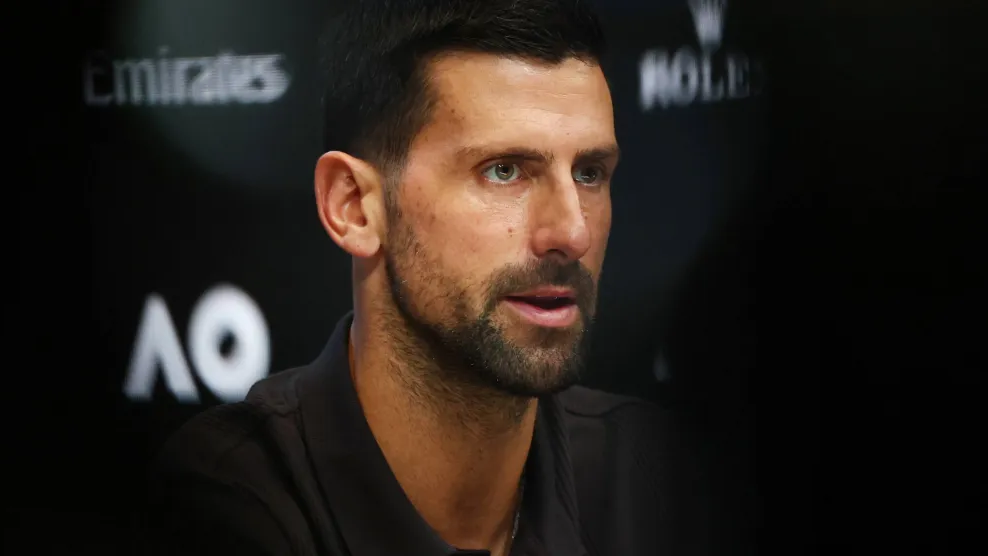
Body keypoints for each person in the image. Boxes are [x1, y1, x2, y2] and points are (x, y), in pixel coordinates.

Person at [147, 1, 742, 555]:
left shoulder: (658, 481)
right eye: (504, 171)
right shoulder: (234, 501)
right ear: (354, 207)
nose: (573, 232)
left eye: (589, 173)